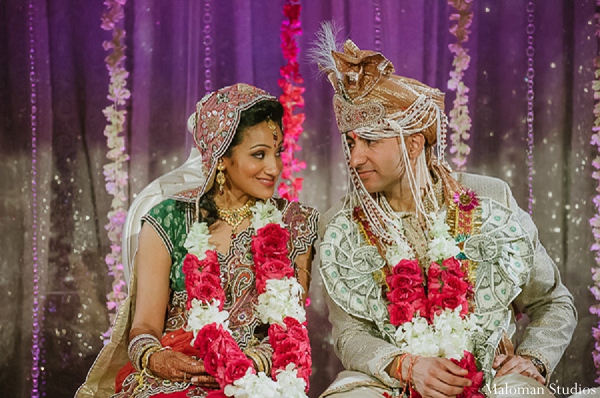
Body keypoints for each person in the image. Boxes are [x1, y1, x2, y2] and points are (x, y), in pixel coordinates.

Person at [312, 26, 576, 398]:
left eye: (371, 141)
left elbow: (552, 301)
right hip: (389, 377)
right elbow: (350, 333)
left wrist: (534, 358)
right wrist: (406, 365)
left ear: (415, 143)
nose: (355, 159)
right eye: (352, 143)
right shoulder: (341, 225)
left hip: (487, 375)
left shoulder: (488, 198)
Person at [76, 83, 319, 397]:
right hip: (178, 375)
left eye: (277, 153)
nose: (273, 168)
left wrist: (246, 364)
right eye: (259, 155)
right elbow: (144, 327)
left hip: (258, 380)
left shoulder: (295, 224)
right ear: (221, 158)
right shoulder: (169, 219)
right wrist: (157, 358)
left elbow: (291, 333)